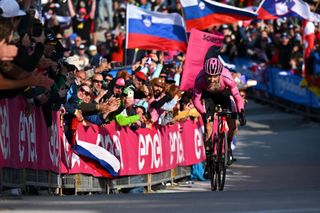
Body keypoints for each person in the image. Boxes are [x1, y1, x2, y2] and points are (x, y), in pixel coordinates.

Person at [192, 54, 246, 174]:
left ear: (219, 74)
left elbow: (237, 97)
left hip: (224, 94)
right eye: (209, 76)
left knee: (233, 124)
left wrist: (241, 112)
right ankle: (209, 159)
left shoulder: (227, 77)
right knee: (208, 126)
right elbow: (195, 100)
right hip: (208, 97)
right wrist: (203, 113)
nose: (212, 79)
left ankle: (228, 145)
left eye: (214, 76)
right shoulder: (200, 79)